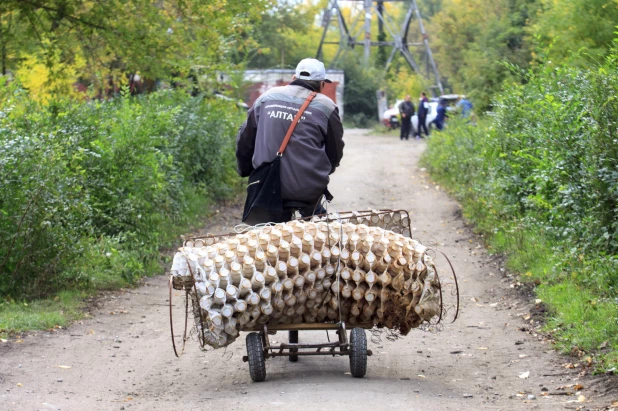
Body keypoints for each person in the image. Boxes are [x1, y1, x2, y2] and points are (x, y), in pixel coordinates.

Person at [235, 58, 345, 221]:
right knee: (317, 228)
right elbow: (335, 151)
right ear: (321, 84)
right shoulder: (326, 106)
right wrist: (323, 172)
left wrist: (246, 170)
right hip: (308, 188)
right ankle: (314, 228)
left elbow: (245, 139)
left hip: (266, 185)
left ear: (294, 78)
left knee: (268, 236)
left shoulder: (267, 98)